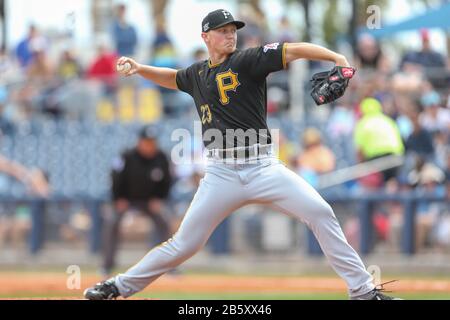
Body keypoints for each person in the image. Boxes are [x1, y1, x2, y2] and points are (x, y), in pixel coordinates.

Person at [84, 9, 399, 300]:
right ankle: (118, 286)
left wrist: (336, 55)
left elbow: (294, 49)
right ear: (205, 37)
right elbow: (173, 78)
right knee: (184, 245)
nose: (230, 35)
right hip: (221, 175)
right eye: (221, 31)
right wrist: (140, 69)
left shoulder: (249, 60)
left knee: (320, 213)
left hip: (263, 168)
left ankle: (363, 292)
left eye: (232, 29)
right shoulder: (196, 74)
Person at [101, 125, 173, 276]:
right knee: (112, 222)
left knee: (165, 223)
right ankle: (107, 266)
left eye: (152, 142)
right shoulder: (126, 156)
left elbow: (167, 181)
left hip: (150, 201)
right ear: (140, 142)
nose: (149, 145)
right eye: (147, 142)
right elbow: (115, 177)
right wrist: (118, 198)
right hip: (126, 200)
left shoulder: (161, 157)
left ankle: (170, 266)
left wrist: (159, 199)